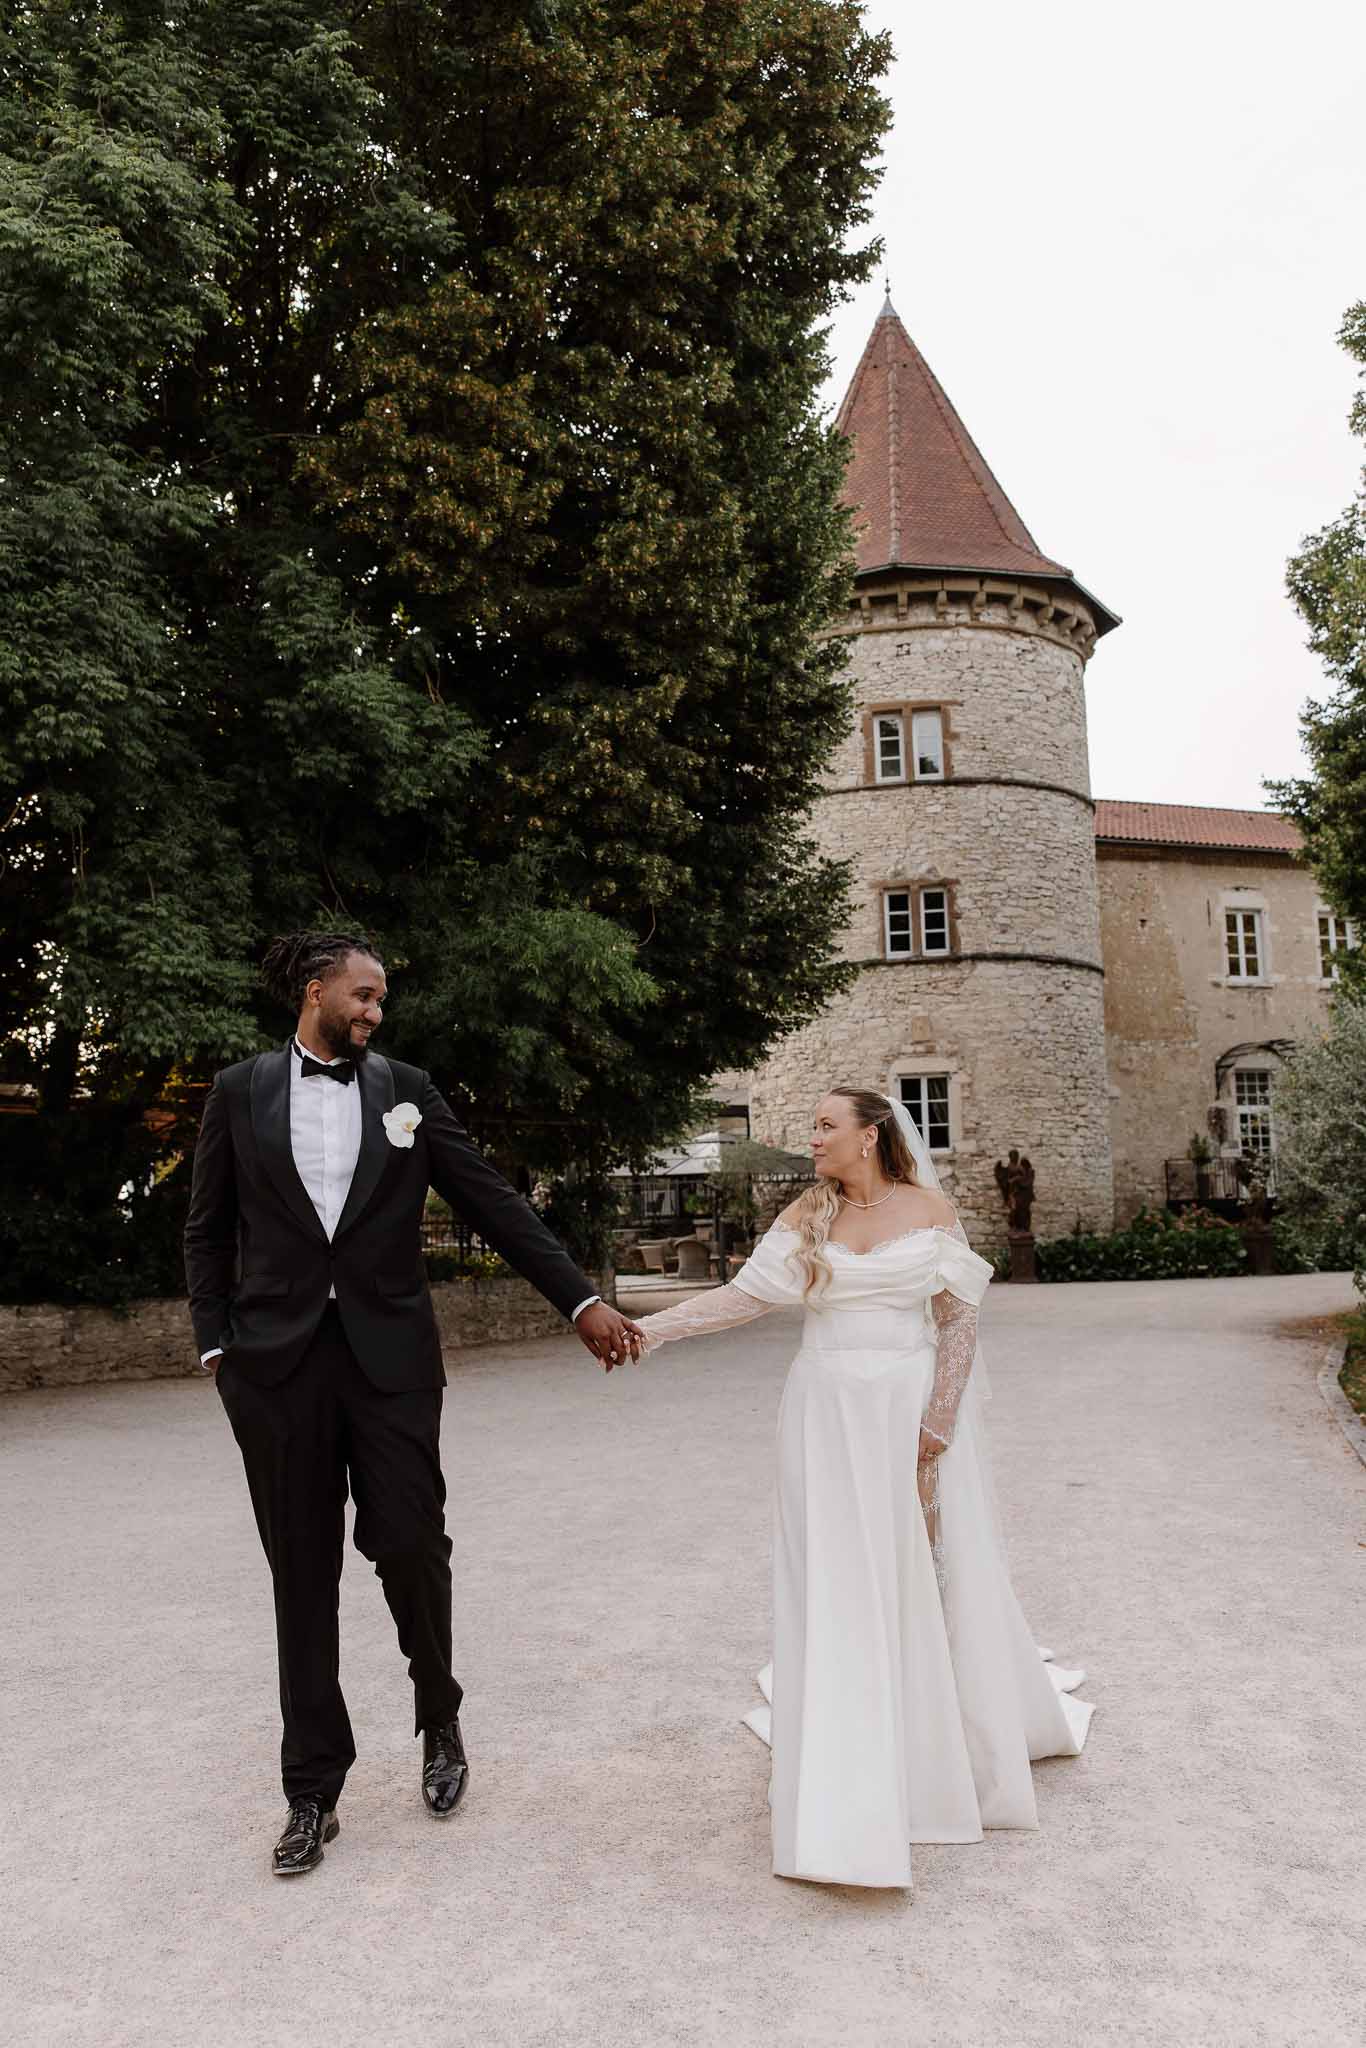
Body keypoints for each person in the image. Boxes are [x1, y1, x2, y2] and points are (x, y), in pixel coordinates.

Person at [183, 930, 644, 1877]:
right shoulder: (238, 1092)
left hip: (391, 1366)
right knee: (300, 1578)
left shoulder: (407, 1092)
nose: (375, 1012)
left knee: (408, 1547)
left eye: (381, 1000)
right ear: (315, 992)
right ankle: (311, 1791)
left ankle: (440, 1717)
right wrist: (218, 1345)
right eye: (363, 995)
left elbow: (492, 1201)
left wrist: (581, 1299)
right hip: (275, 1372)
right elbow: (208, 1225)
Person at [634, 1087, 1092, 1890]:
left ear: (871, 1135)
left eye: (825, 1126)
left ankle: (939, 1735)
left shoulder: (928, 1206)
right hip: (827, 1408)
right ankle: (854, 1740)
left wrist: (939, 1420)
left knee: (921, 1565)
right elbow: (743, 1298)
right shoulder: (806, 1215)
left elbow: (958, 1319)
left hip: (908, 1404)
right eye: (813, 1126)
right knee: (843, 1572)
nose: (812, 1138)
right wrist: (647, 1330)